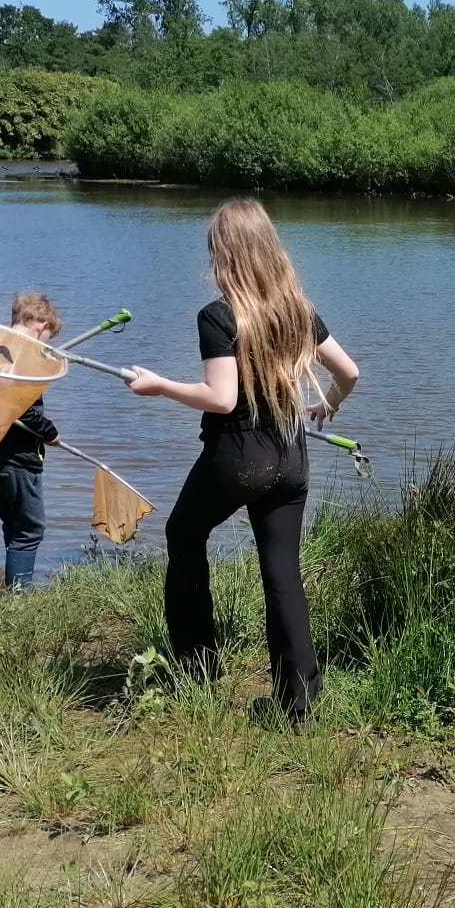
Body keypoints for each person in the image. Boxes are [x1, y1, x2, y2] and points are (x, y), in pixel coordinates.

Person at [126, 199, 360, 721]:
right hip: (290, 455)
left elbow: (222, 399)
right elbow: (351, 372)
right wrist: (329, 405)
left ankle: (197, 669)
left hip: (239, 454)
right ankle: (298, 702)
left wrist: (160, 386)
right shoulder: (298, 310)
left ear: (223, 255)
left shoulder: (219, 315)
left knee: (183, 534)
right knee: (282, 573)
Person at [0, 292, 61, 588]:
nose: (45, 344)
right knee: (30, 528)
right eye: (47, 336)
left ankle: (13, 588)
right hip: (15, 457)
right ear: (39, 324)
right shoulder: (19, 355)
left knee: (14, 523)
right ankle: (19, 595)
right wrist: (50, 432)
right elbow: (22, 408)